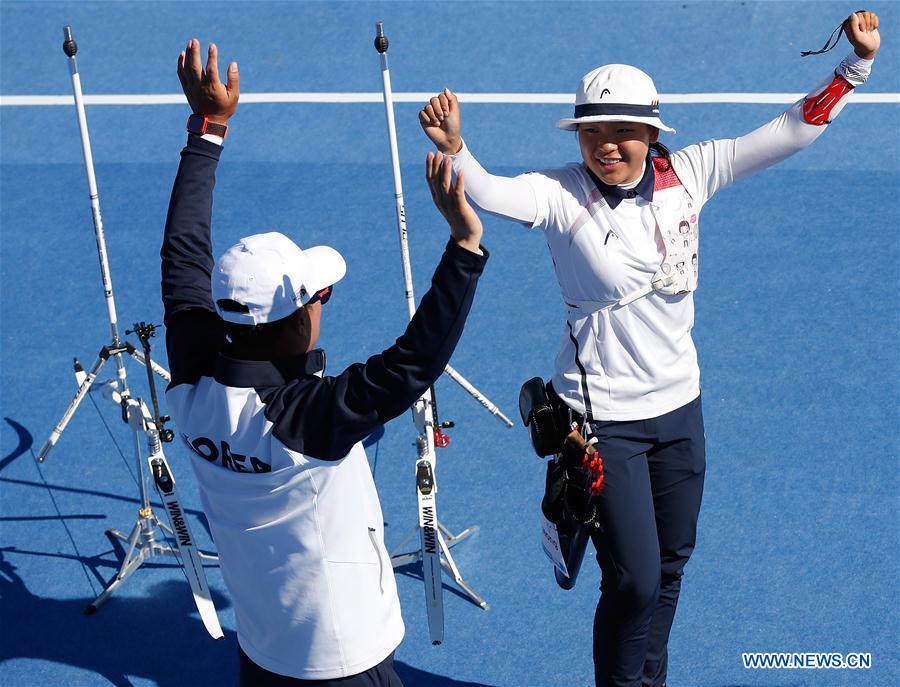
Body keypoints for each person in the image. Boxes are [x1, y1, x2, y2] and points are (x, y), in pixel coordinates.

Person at [419, 11, 880, 687]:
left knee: (671, 563)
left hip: (679, 410)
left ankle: (648, 680)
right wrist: (457, 148)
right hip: (602, 421)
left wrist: (854, 68)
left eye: (621, 133)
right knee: (632, 582)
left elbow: (789, 131)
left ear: (651, 135)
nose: (606, 146)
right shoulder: (558, 194)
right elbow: (487, 192)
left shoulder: (690, 173)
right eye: (592, 133)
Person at [161, 39, 488, 687]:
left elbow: (182, 257)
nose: (323, 304)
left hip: (263, 653)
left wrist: (208, 132)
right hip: (345, 661)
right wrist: (466, 245)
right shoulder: (303, 418)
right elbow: (412, 365)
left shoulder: (192, 384)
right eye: (319, 295)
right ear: (297, 319)